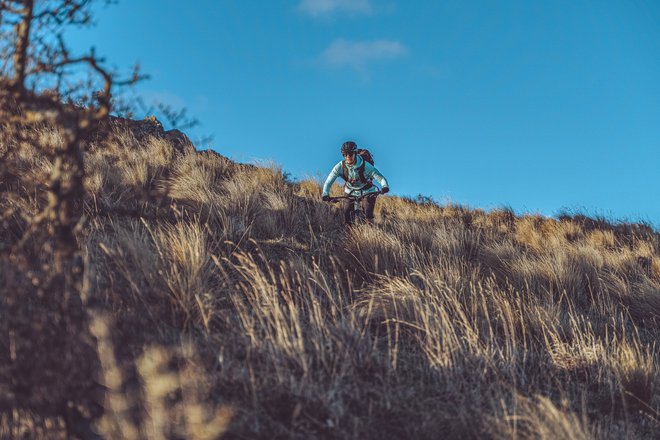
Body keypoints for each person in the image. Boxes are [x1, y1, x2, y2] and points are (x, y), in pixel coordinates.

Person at [322, 141, 389, 224]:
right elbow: (328, 181)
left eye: (350, 154)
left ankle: (372, 231)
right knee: (347, 215)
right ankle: (350, 234)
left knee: (368, 214)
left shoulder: (366, 166)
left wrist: (384, 186)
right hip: (351, 191)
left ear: (355, 153)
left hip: (367, 191)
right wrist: (325, 193)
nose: (347, 157)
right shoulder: (340, 166)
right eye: (344, 154)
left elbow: (380, 178)